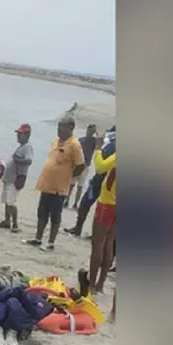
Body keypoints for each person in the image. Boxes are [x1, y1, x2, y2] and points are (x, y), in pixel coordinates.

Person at [25, 116, 85, 251]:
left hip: (59, 187)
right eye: (58, 126)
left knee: (55, 215)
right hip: (46, 184)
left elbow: (80, 165)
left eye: (62, 126)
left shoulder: (75, 144)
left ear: (70, 128)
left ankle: (51, 242)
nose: (59, 129)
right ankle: (38, 238)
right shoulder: (56, 142)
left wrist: (69, 175)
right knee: (42, 212)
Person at [68, 126, 116, 237]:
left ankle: (81, 229)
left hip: (102, 180)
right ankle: (91, 232)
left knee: (87, 204)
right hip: (106, 181)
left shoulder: (110, 145)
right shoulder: (110, 144)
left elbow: (101, 166)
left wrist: (99, 147)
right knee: (98, 208)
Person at [88, 134, 116, 293]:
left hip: (107, 203)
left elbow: (100, 167)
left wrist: (98, 148)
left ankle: (92, 284)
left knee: (97, 244)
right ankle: (101, 284)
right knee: (109, 243)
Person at [0, 123, 34, 233]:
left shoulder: (27, 147)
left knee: (11, 201)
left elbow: (29, 161)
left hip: (15, 179)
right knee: (7, 200)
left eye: (20, 134)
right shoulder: (22, 147)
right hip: (10, 178)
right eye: (18, 134)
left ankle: (15, 224)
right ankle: (7, 221)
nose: (18, 136)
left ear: (27, 135)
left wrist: (18, 160)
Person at [69, 124, 97, 207]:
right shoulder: (81, 140)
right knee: (71, 185)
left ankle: (75, 203)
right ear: (87, 130)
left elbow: (100, 145)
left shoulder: (94, 141)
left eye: (93, 131)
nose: (91, 133)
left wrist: (98, 134)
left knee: (80, 186)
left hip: (86, 166)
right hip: (78, 165)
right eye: (91, 130)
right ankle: (67, 200)